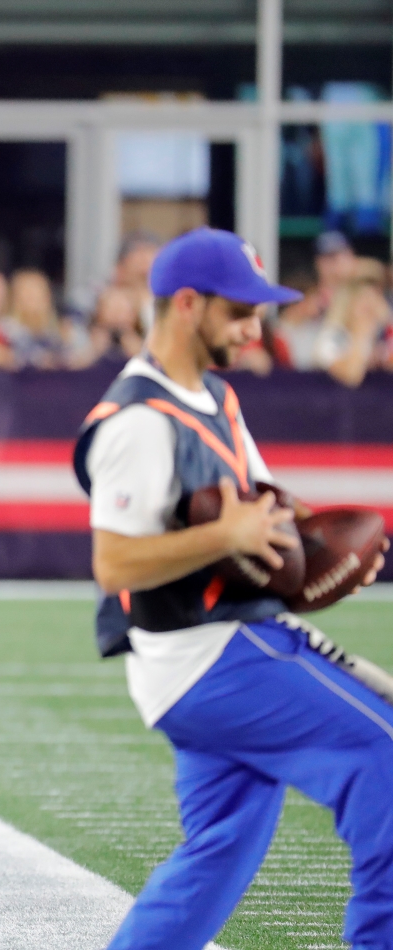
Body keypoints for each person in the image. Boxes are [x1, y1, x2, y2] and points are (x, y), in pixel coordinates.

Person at [73, 227, 392, 950]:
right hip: (208, 654)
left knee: (218, 856)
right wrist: (227, 538)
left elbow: (262, 507)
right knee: (385, 762)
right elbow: (115, 565)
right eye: (242, 311)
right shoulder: (138, 420)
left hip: (215, 651)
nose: (256, 329)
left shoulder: (213, 395)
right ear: (187, 304)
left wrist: (327, 547)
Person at [313, 256, 392, 388]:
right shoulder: (332, 337)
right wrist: (362, 331)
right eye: (363, 295)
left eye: (376, 293)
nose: (370, 302)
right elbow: (351, 377)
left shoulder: (384, 333)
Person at [7, 268, 86, 369]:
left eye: (38, 292)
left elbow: (81, 358)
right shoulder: (7, 330)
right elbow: (20, 357)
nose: (33, 298)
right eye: (27, 293)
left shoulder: (61, 330)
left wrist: (68, 341)